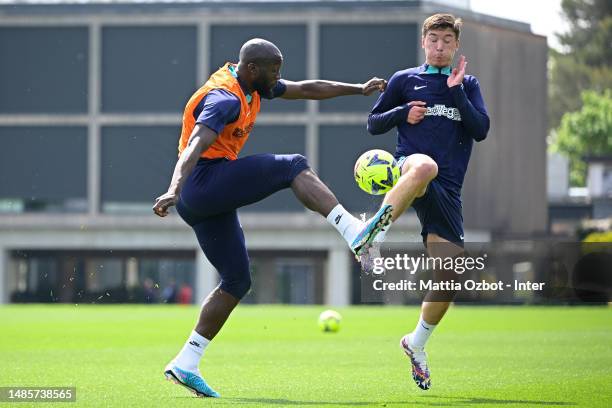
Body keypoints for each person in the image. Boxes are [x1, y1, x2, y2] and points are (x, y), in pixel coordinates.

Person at [153, 38, 393, 398]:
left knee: (236, 280)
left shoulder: (251, 82)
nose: (278, 77)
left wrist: (357, 89)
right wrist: (174, 188)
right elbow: (194, 146)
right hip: (199, 183)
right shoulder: (225, 98)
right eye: (274, 70)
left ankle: (186, 362)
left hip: (203, 194)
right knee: (293, 166)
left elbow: (304, 88)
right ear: (252, 69)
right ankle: (353, 230)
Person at [365, 14, 490, 390]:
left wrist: (455, 92)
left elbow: (481, 130)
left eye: (446, 41)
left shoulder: (467, 84)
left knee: (449, 278)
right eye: (433, 39)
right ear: (424, 42)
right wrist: (404, 112)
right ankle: (373, 237)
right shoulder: (405, 80)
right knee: (424, 168)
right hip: (412, 168)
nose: (439, 46)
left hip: (449, 190)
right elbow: (373, 123)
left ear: (455, 46)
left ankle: (415, 343)